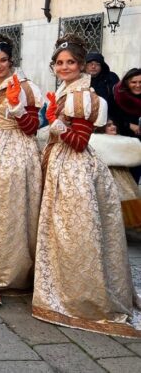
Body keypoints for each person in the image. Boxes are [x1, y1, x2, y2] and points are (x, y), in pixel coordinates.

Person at [33, 34, 139, 337]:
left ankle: (79, 293)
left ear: (82, 66)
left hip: (75, 170)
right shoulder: (66, 92)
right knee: (60, 229)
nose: (64, 67)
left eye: (70, 62)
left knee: (75, 231)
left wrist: (57, 126)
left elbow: (79, 143)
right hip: (60, 166)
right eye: (60, 62)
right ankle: (57, 284)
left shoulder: (85, 97)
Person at [0, 35, 43, 293]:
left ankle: (14, 271)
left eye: (3, 60)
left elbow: (32, 128)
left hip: (17, 150)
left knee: (11, 209)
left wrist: (17, 108)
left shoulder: (25, 86)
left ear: (11, 60)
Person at [113, 68, 141, 184]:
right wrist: (128, 125)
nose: (138, 85)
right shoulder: (117, 96)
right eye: (134, 82)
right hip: (121, 143)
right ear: (127, 83)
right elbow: (111, 117)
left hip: (139, 147)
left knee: (134, 180)